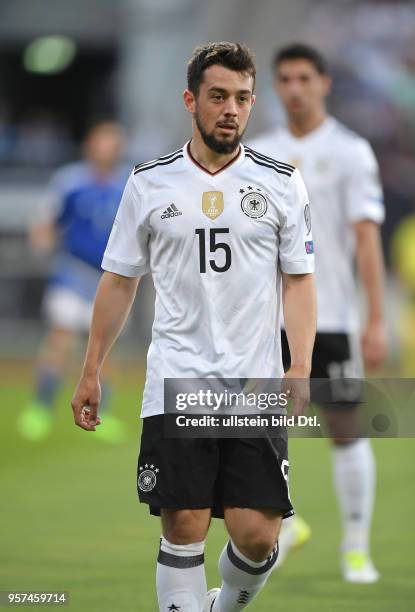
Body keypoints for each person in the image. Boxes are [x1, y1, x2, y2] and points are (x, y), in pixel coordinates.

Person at [71, 42, 316, 612]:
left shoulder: (281, 183)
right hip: (177, 379)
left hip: (255, 385)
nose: (231, 109)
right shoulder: (149, 184)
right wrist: (91, 370)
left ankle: (220, 605)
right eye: (218, 96)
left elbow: (300, 280)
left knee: (258, 536)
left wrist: (298, 365)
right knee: (184, 522)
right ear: (191, 100)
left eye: (243, 98)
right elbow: (119, 281)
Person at [249, 43, 387, 583]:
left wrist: (376, 317)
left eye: (304, 77)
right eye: (284, 79)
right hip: (265, 320)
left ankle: (356, 546)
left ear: (323, 83)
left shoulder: (351, 152)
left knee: (345, 428)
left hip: (330, 318)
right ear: (275, 88)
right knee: (243, 426)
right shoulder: (258, 154)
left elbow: (366, 239)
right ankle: (287, 522)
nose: (295, 88)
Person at [18, 120, 130, 443]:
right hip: (73, 274)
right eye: (101, 141)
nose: (106, 148)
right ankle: (40, 409)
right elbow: (47, 219)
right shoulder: (70, 181)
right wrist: (42, 236)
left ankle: (100, 414)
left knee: (105, 350)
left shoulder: (128, 183)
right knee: (60, 341)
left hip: (111, 279)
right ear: (90, 144)